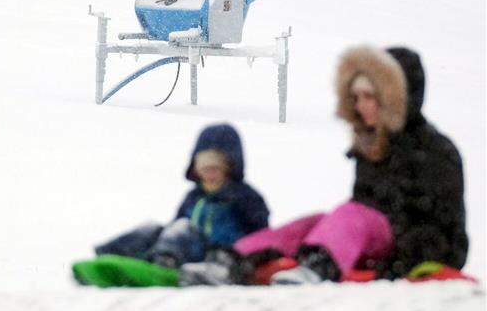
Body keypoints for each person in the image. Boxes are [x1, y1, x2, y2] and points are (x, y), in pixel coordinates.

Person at [181, 45, 468, 286]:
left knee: (353, 215)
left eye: (370, 97)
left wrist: (393, 263)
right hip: (370, 239)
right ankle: (229, 261)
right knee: (316, 221)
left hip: (413, 253)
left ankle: (318, 268)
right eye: (356, 98)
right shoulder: (373, 146)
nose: (361, 106)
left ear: (393, 99)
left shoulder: (434, 151)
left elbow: (444, 231)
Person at [92, 123, 269, 269]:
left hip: (219, 255)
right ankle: (111, 256)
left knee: (183, 228)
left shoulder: (245, 196)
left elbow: (261, 234)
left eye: (215, 169)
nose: (210, 174)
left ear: (229, 168)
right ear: (196, 169)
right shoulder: (193, 197)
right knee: (152, 228)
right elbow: (174, 227)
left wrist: (241, 259)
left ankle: (164, 263)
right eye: (204, 169)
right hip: (186, 249)